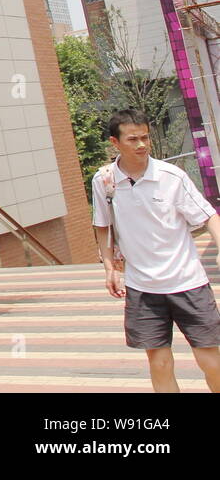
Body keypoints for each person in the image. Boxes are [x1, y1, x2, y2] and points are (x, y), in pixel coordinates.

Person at [93, 108, 220, 392]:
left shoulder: (171, 176)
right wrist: (109, 268)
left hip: (188, 283)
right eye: (132, 139)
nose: (141, 145)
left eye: (145, 138)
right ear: (115, 142)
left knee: (211, 360)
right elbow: (102, 226)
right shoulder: (104, 182)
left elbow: (208, 215)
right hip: (143, 289)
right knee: (159, 363)